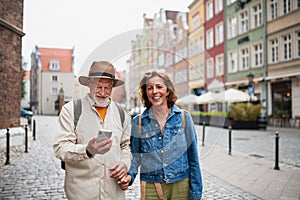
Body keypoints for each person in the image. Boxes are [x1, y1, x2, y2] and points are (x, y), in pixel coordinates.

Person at [53, 61, 132, 200]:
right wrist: (87, 150)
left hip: (113, 193)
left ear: (112, 87)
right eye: (98, 86)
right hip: (81, 194)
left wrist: (124, 164)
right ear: (89, 84)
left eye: (107, 88)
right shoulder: (71, 110)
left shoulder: (121, 113)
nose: (102, 92)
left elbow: (126, 146)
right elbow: (60, 148)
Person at [119, 70, 203, 200]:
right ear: (145, 92)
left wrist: (196, 192)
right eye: (149, 88)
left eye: (159, 87)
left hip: (181, 183)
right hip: (151, 184)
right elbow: (135, 157)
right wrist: (130, 176)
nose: (154, 91)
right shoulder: (139, 122)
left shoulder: (183, 118)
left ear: (167, 90)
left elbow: (193, 158)